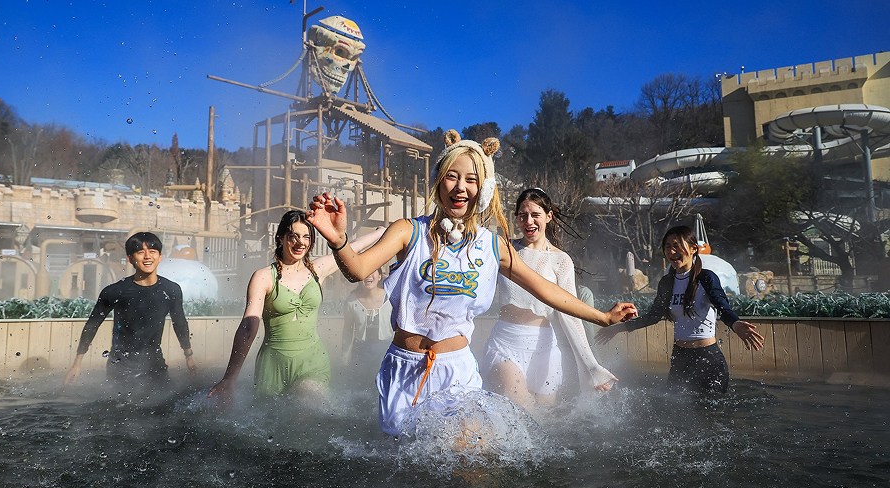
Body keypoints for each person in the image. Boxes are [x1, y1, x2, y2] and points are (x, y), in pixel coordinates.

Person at [306, 129, 637, 436]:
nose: (460, 187)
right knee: (409, 471)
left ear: (484, 189)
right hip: (405, 369)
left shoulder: (493, 246)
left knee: (470, 450)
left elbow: (549, 291)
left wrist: (603, 317)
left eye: (471, 179)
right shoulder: (409, 231)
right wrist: (338, 241)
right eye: (452, 176)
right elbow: (359, 270)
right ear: (439, 182)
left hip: (457, 371)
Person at [207, 210, 382, 406]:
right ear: (281, 238)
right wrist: (229, 378)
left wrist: (382, 233)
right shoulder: (263, 277)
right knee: (273, 423)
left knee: (308, 405)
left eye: (307, 236)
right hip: (273, 364)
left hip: (312, 361)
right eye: (294, 236)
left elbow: (352, 248)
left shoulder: (318, 270)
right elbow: (248, 328)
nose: (301, 242)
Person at [484, 188, 616, 411]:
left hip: (543, 349)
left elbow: (569, 315)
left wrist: (591, 365)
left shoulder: (560, 260)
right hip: (505, 343)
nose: (529, 221)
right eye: (523, 215)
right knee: (522, 410)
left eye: (535, 215)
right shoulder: (506, 250)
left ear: (548, 216)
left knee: (542, 425)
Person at [596, 225, 765, 394]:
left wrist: (735, 324)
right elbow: (654, 316)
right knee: (673, 411)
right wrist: (618, 328)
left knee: (712, 415)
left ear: (693, 249)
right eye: (668, 246)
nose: (672, 251)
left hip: (708, 359)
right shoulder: (666, 283)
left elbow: (723, 307)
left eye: (677, 245)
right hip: (680, 358)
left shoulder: (706, 278)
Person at [64, 231, 196, 385]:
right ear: (130, 259)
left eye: (152, 252)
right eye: (141, 252)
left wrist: (189, 357)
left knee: (165, 404)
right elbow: (92, 325)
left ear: (160, 257)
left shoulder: (171, 290)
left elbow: (179, 323)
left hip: (155, 364)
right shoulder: (115, 291)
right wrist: (77, 364)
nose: (147, 257)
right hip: (122, 367)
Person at [342, 267, 393, 375]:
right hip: (360, 352)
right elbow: (348, 330)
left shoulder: (390, 298)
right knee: (359, 387)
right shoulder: (352, 301)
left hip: (385, 350)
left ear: (379, 276)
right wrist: (344, 357)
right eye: (364, 273)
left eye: (372, 272)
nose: (368, 276)